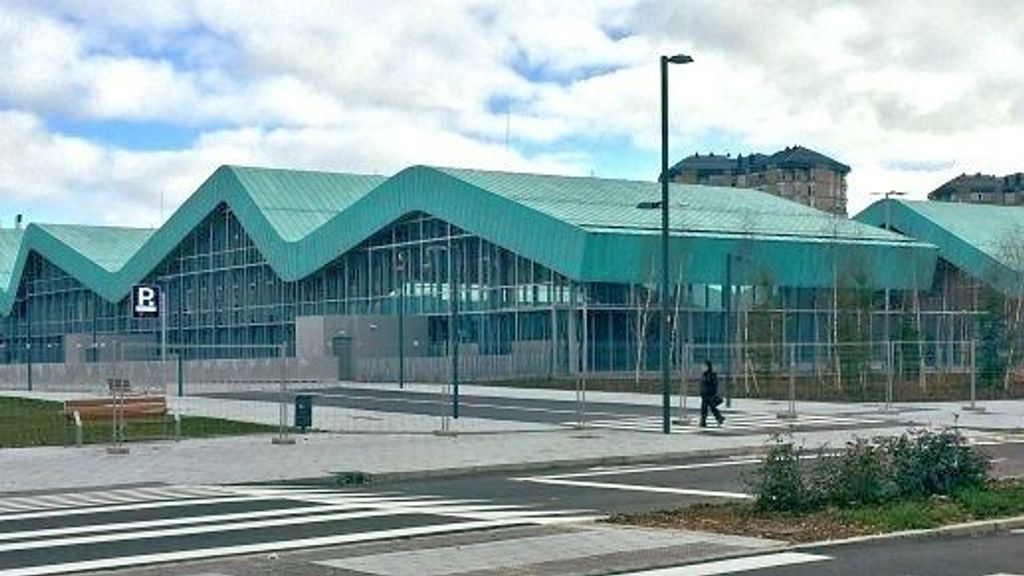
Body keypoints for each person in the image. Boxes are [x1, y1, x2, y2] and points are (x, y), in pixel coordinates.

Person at [699, 360, 725, 428]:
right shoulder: (703, 375)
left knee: (708, 406)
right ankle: (718, 417)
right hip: (704, 395)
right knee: (709, 406)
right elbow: (702, 385)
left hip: (710, 395)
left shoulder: (712, 375)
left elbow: (714, 385)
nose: (702, 368)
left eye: (704, 366)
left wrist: (710, 393)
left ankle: (704, 420)